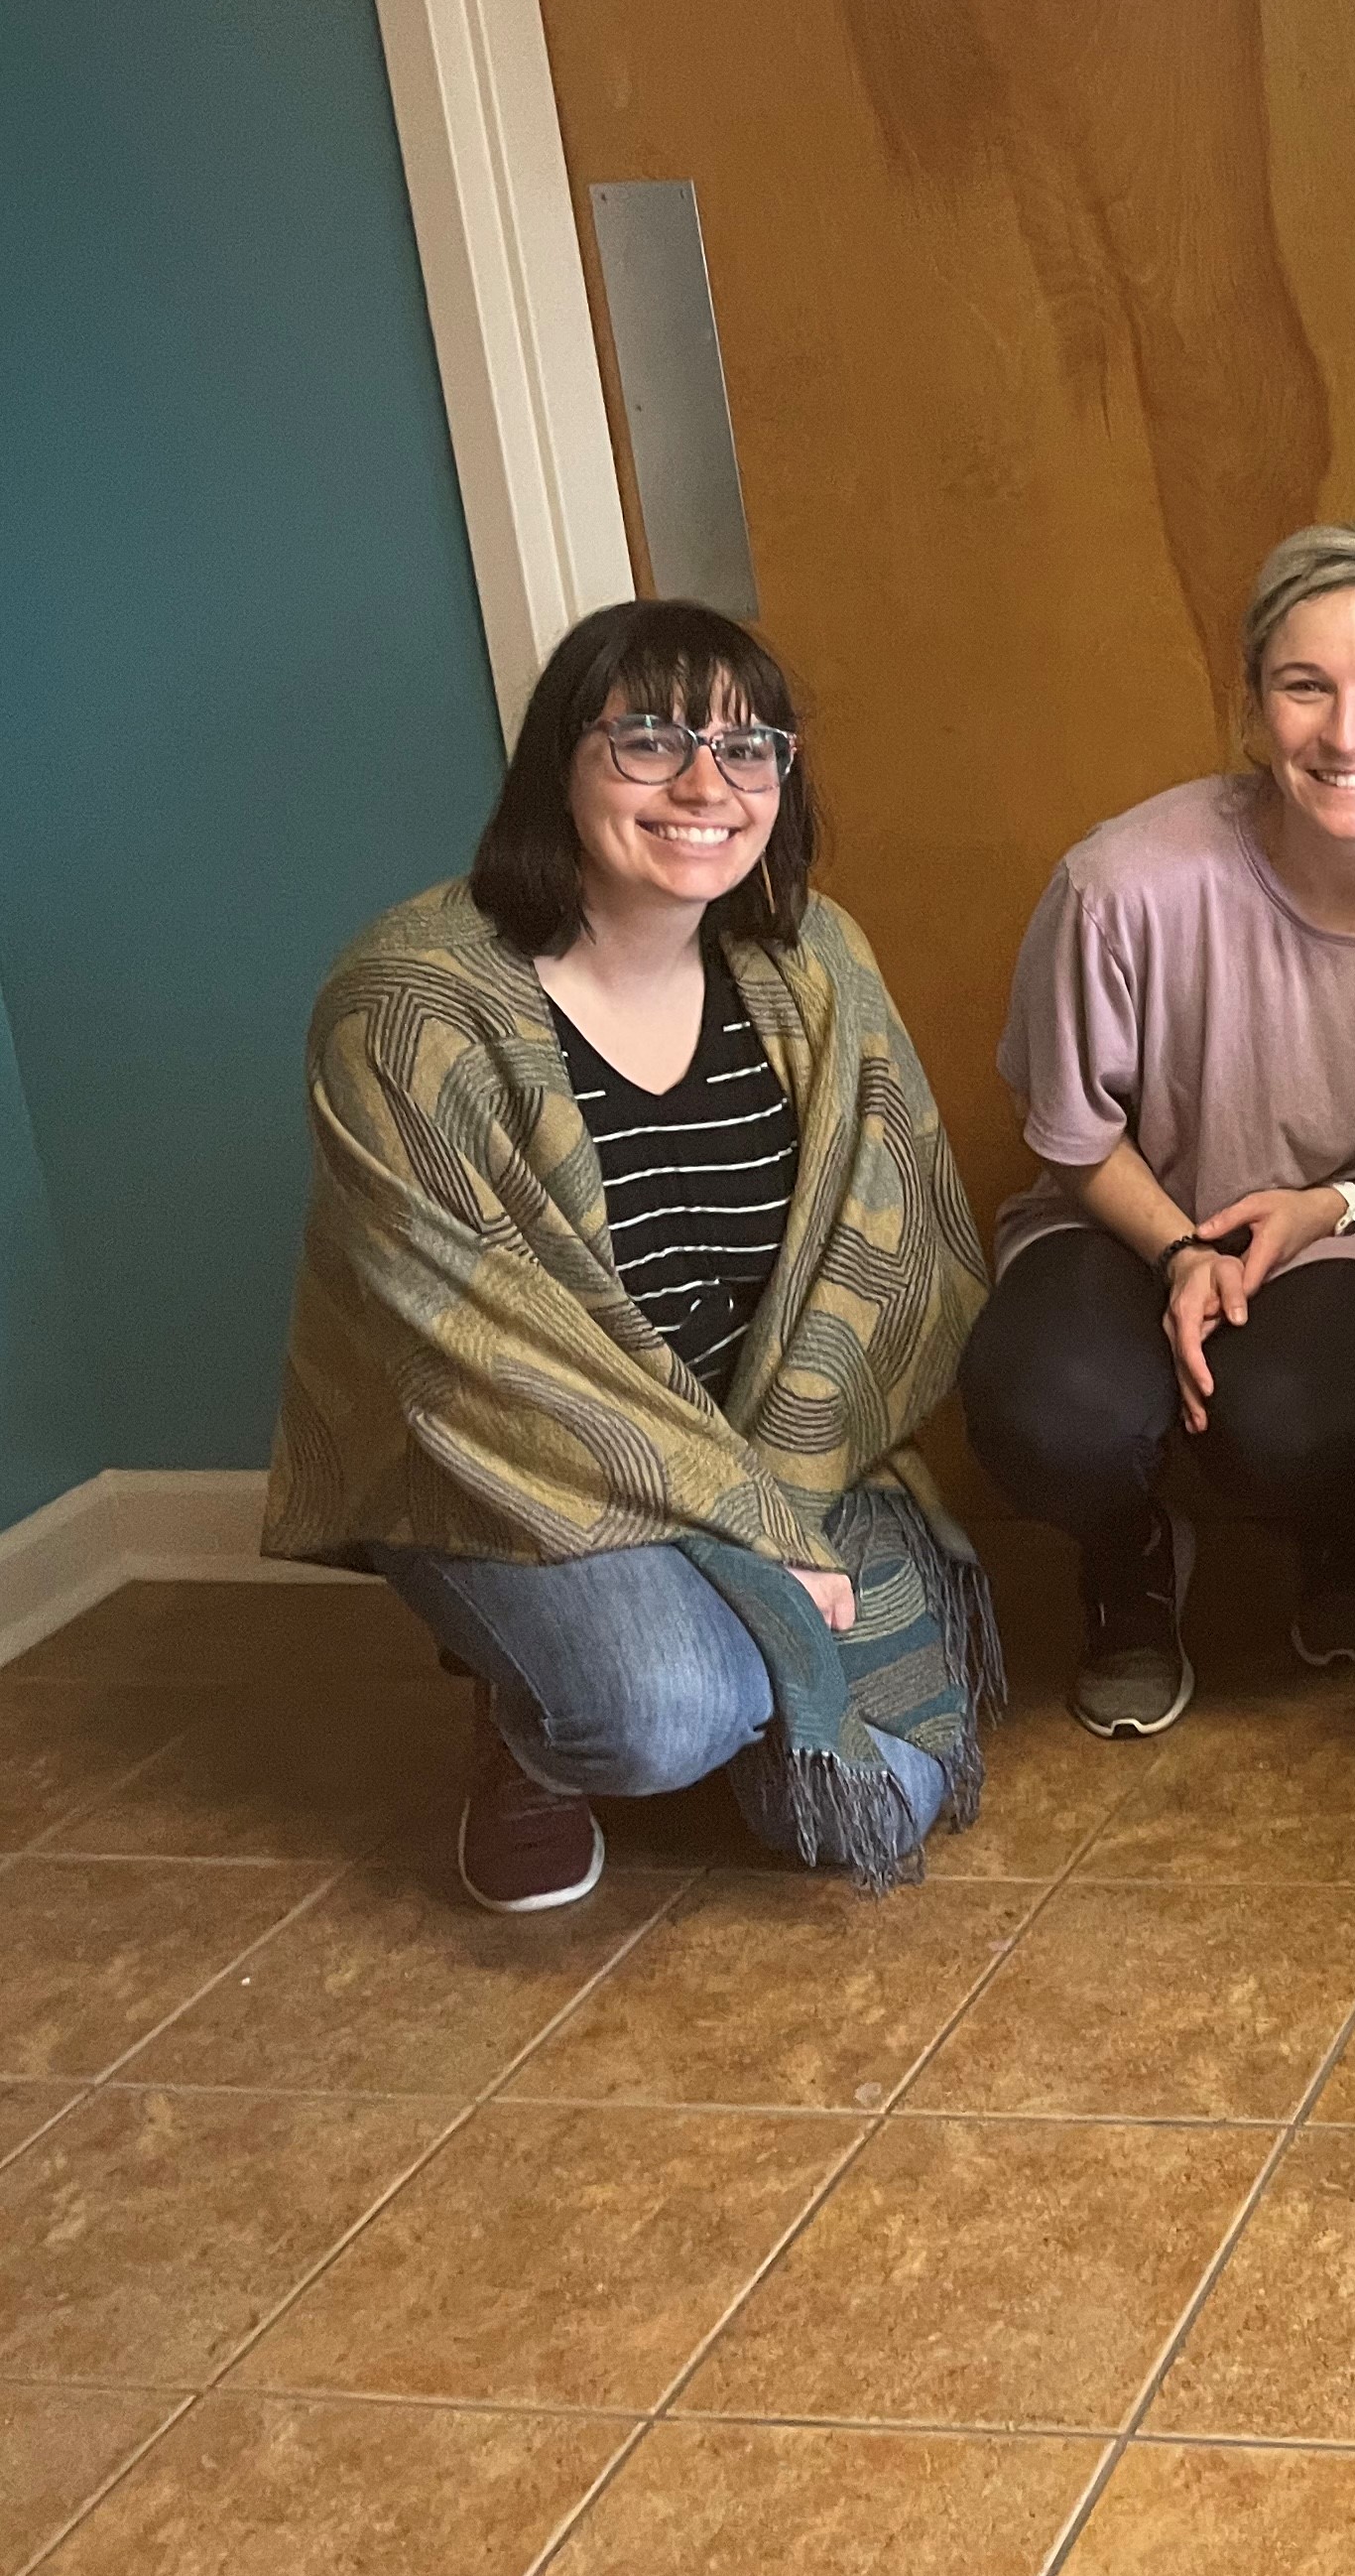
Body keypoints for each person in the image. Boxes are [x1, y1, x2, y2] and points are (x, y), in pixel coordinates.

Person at [266, 602, 997, 1912]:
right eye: (650, 741)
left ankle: (746, 1662)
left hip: (780, 1437)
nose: (708, 785)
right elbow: (475, 1352)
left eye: (749, 746)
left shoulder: (813, 958)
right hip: (520, 1457)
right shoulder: (407, 1008)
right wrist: (760, 1528)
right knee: (661, 1716)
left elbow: (891, 1242)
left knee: (870, 1806)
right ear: (562, 760)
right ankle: (530, 1718)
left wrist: (783, 1488)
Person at [960, 523, 1355, 1739]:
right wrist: (1182, 1252)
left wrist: (1334, 1207)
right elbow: (1074, 1135)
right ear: (1252, 705)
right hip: (1126, 1214)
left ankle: (1335, 1512)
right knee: (1048, 1413)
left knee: (1291, 1421)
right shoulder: (1121, 886)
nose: (1350, 735)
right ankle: (1126, 1550)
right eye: (1306, 687)